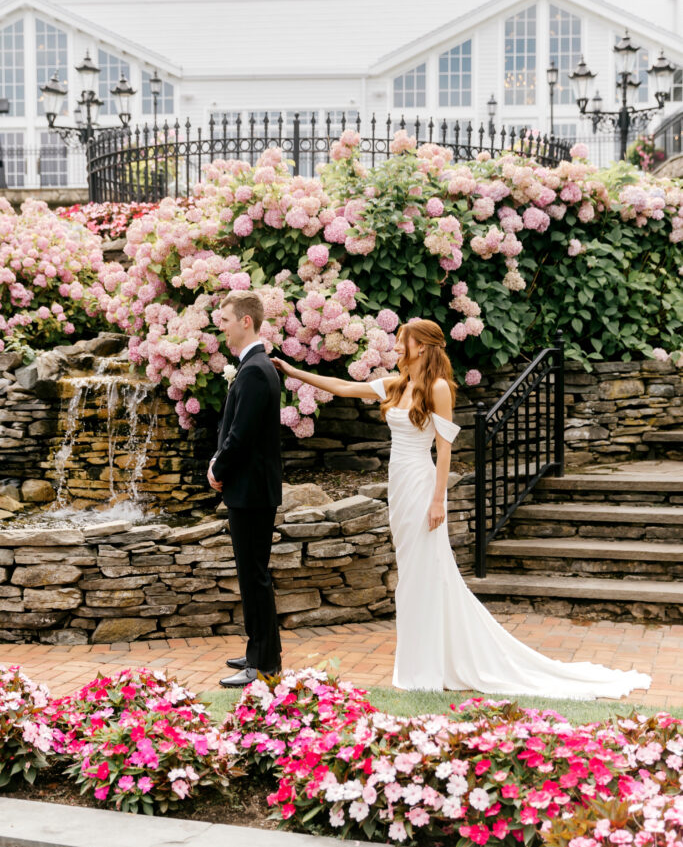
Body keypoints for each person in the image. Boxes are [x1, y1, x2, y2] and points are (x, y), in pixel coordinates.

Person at [273, 318, 651, 699]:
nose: (398, 347)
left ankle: (426, 668)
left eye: (403, 342)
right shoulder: (396, 384)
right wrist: (292, 370)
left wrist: (439, 499)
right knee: (411, 573)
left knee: (425, 572)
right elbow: (343, 386)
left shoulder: (437, 388)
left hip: (422, 484)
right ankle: (422, 663)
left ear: (421, 347)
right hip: (399, 487)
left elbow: (445, 448)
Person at [208, 290, 282, 688]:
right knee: (253, 574)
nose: (220, 325)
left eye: (224, 318)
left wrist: (217, 467)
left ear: (245, 322)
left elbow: (241, 436)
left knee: (254, 576)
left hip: (251, 491)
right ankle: (260, 651)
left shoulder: (254, 369)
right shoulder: (255, 365)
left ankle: (265, 665)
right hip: (251, 490)